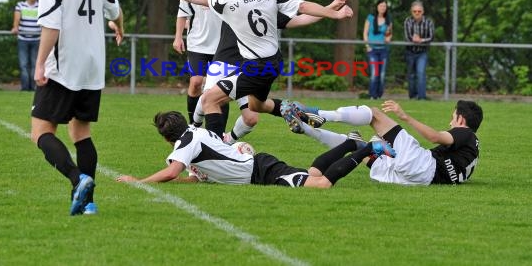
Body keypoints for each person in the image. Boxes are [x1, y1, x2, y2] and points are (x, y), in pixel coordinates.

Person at [146, 0, 353, 138]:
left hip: (252, 67)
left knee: (210, 99)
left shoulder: (228, 1)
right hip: (270, 64)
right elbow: (304, 7)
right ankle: (296, 110)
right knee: (256, 106)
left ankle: (215, 152)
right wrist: (331, 12)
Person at [30, 0, 124, 216]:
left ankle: (78, 178)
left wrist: (40, 63)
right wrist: (120, 28)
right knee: (81, 133)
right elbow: (115, 10)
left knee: (41, 132)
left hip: (64, 64)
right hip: (93, 66)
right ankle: (87, 202)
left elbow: (52, 26)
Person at [115, 111, 393, 188]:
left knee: (320, 185)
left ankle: (369, 146)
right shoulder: (193, 133)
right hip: (258, 166)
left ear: (166, 139)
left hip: (262, 172)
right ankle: (351, 142)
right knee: (312, 173)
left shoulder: (185, 145)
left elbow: (171, 171)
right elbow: (190, 176)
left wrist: (138, 182)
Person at [281, 98, 483, 185]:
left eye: (452, 117)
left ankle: (317, 114)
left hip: (422, 165)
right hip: (419, 180)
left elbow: (435, 137)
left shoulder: (465, 134)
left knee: (375, 115)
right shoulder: (473, 147)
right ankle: (307, 128)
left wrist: (405, 117)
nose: (450, 122)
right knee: (362, 150)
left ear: (461, 120)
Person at [172, 0, 235, 123]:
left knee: (220, 88)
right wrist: (178, 37)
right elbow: (183, 12)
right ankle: (194, 124)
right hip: (198, 43)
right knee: (196, 82)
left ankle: (218, 133)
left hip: (223, 45)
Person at [11, 0, 40, 91]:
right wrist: (15, 27)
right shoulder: (20, 5)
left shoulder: (41, 6)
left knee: (35, 65)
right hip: (23, 39)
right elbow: (17, 18)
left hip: (37, 39)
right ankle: (24, 89)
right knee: (23, 65)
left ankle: (34, 88)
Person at [404, 0, 434, 100]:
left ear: (423, 11)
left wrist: (421, 40)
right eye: (415, 11)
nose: (417, 13)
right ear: (411, 12)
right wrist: (414, 39)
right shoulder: (408, 21)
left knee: (421, 73)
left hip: (422, 52)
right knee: (411, 75)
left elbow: (431, 37)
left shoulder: (428, 22)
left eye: (419, 11)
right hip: (410, 51)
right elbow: (408, 37)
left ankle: (421, 97)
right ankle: (412, 96)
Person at [363, 0, 392, 99]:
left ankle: (379, 95)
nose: (383, 8)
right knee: (374, 73)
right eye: (381, 5)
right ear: (377, 6)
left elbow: (389, 34)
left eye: (384, 6)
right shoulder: (370, 18)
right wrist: (367, 45)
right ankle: (372, 95)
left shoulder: (388, 20)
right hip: (372, 50)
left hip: (383, 50)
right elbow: (365, 33)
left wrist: (388, 38)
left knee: (382, 74)